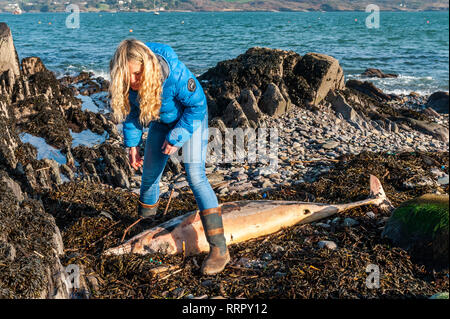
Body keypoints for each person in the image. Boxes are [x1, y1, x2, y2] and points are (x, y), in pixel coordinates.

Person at [108, 39, 229, 275]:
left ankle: (219, 248)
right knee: (149, 175)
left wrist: (176, 137)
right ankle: (147, 228)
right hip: (161, 122)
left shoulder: (174, 74)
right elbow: (133, 114)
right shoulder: (128, 80)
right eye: (126, 77)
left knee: (195, 177)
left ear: (147, 66)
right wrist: (132, 145)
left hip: (191, 121)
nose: (132, 82)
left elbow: (198, 106)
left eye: (135, 75)